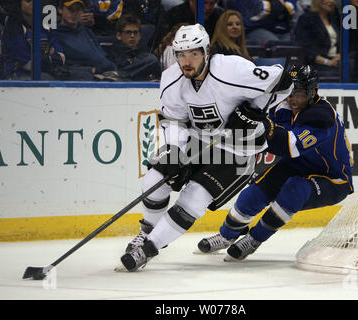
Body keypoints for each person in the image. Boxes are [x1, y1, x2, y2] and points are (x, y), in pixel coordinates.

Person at [117, 23, 293, 272]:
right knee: (153, 180)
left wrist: (255, 110)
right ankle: (147, 233)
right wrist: (175, 152)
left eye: (193, 54)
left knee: (194, 199)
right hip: (197, 140)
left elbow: (283, 80)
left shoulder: (232, 69)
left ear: (206, 52)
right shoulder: (171, 79)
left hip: (238, 147)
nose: (186, 61)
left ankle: (148, 249)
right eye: (181, 54)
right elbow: (174, 120)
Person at [196, 64, 354, 261]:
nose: (293, 99)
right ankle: (226, 235)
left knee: (295, 189)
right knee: (252, 194)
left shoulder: (322, 117)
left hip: (333, 179)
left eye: (300, 94)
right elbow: (261, 134)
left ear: (313, 92)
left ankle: (254, 239)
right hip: (295, 167)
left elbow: (289, 146)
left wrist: (260, 124)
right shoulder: (282, 107)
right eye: (290, 93)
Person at [1, 0, 67, 80]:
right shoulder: (12, 24)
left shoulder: (45, 23)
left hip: (46, 72)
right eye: (28, 1)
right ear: (19, 3)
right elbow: (26, 61)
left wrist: (46, 59)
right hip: (17, 75)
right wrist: (50, 58)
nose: (32, 3)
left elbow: (61, 55)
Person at [54, 0, 117, 80]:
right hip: (83, 78)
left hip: (106, 72)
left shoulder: (86, 31)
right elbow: (59, 65)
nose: (74, 13)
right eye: (70, 9)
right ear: (60, 10)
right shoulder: (54, 35)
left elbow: (101, 56)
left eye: (78, 10)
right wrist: (90, 70)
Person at [107, 13, 161, 81]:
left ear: (140, 35)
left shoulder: (147, 53)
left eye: (135, 32)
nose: (132, 36)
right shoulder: (113, 53)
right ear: (119, 35)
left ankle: (120, 75)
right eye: (128, 32)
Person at [295, 0, 341, 78]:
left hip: (336, 62)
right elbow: (304, 47)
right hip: (317, 65)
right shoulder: (306, 19)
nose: (332, 1)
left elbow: (340, 42)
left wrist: (339, 55)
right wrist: (327, 62)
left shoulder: (334, 19)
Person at [227, 0, 294, 45]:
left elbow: (291, 7)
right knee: (275, 47)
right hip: (252, 28)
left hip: (281, 27)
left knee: (291, 48)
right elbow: (253, 11)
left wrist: (286, 8)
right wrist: (274, 6)